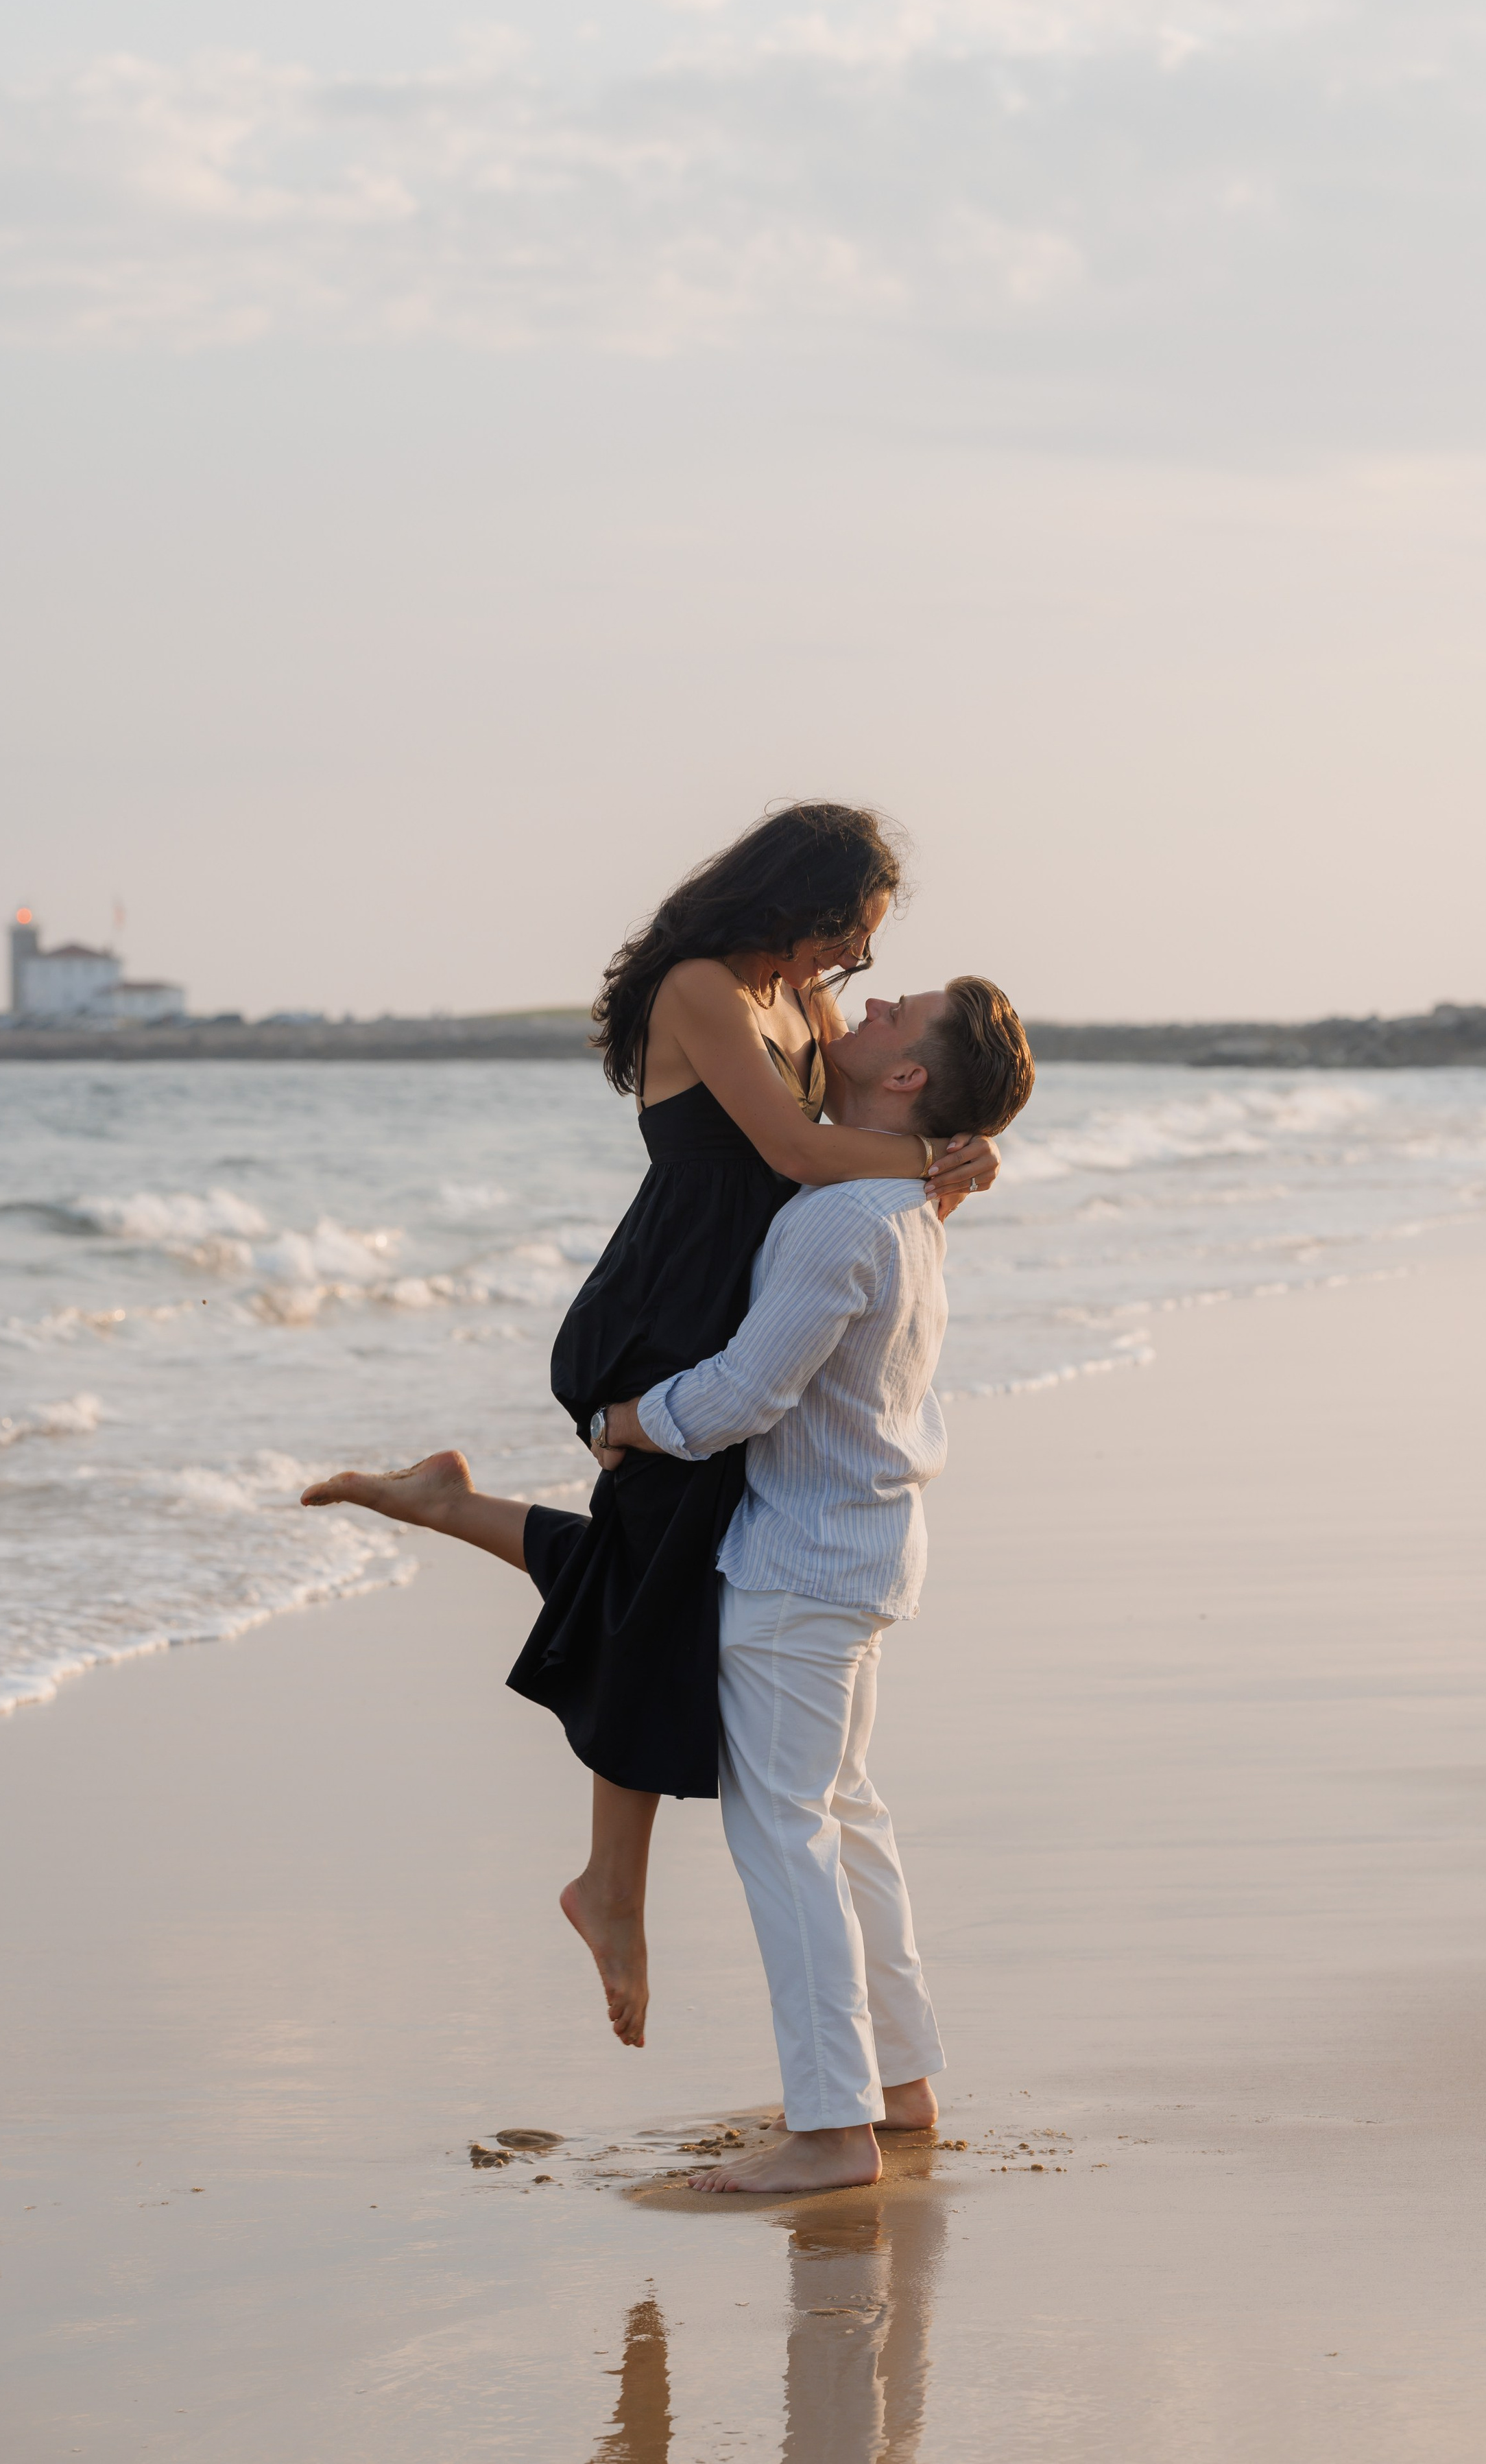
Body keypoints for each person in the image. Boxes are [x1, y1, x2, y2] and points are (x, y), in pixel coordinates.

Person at [304, 804, 1000, 2053]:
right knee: (652, 1578)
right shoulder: (701, 989)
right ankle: (607, 1889)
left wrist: (949, 1148)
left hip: (739, 1319)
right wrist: (937, 1163)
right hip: (666, 1313)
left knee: (656, 1578)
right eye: (846, 936)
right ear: (797, 902)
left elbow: (880, 1112)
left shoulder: (808, 1004)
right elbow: (795, 1147)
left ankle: (447, 1508)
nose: (850, 970)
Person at [588, 974, 1035, 2193]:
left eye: (899, 1012)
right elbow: (835, 1048)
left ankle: (834, 2128)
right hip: (865, 1547)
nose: (869, 998)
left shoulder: (844, 1216)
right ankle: (899, 2082)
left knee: (784, 1831)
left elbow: (743, 1394)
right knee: (846, 1818)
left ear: (904, 1083)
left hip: (801, 1563)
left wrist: (626, 1418)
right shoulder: (904, 1199)